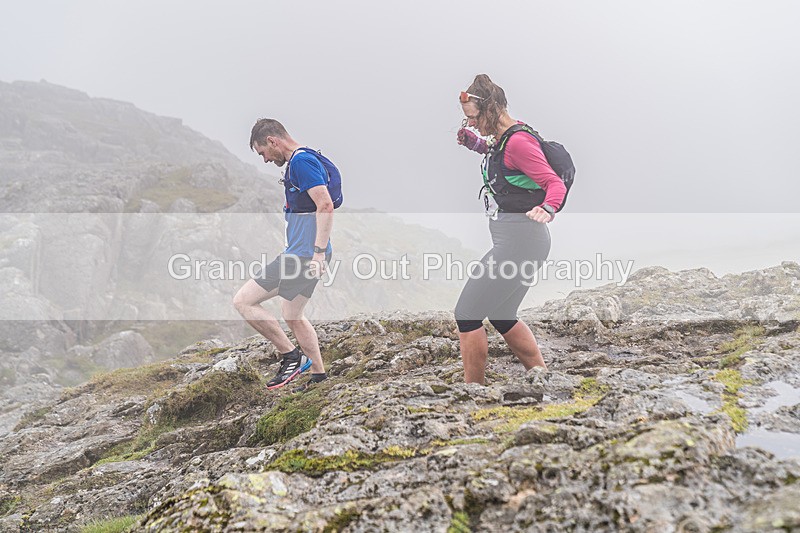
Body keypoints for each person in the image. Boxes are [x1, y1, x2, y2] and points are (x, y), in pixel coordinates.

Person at [454, 74, 567, 384]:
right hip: (522, 241)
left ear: (490, 109)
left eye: (473, 119)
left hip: (521, 241)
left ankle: (472, 393)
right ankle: (541, 378)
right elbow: (500, 154)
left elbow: (552, 182)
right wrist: (476, 143)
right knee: (502, 315)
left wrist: (548, 208)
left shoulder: (519, 142)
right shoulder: (505, 137)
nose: (471, 125)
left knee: (466, 314)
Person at [233, 118, 335, 391]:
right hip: (304, 252)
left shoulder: (301, 162)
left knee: (244, 301)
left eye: (262, 153)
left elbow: (325, 204)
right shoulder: (305, 158)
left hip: (303, 254)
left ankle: (291, 356)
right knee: (292, 313)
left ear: (272, 141)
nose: (265, 160)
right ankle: (318, 376)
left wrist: (318, 254)